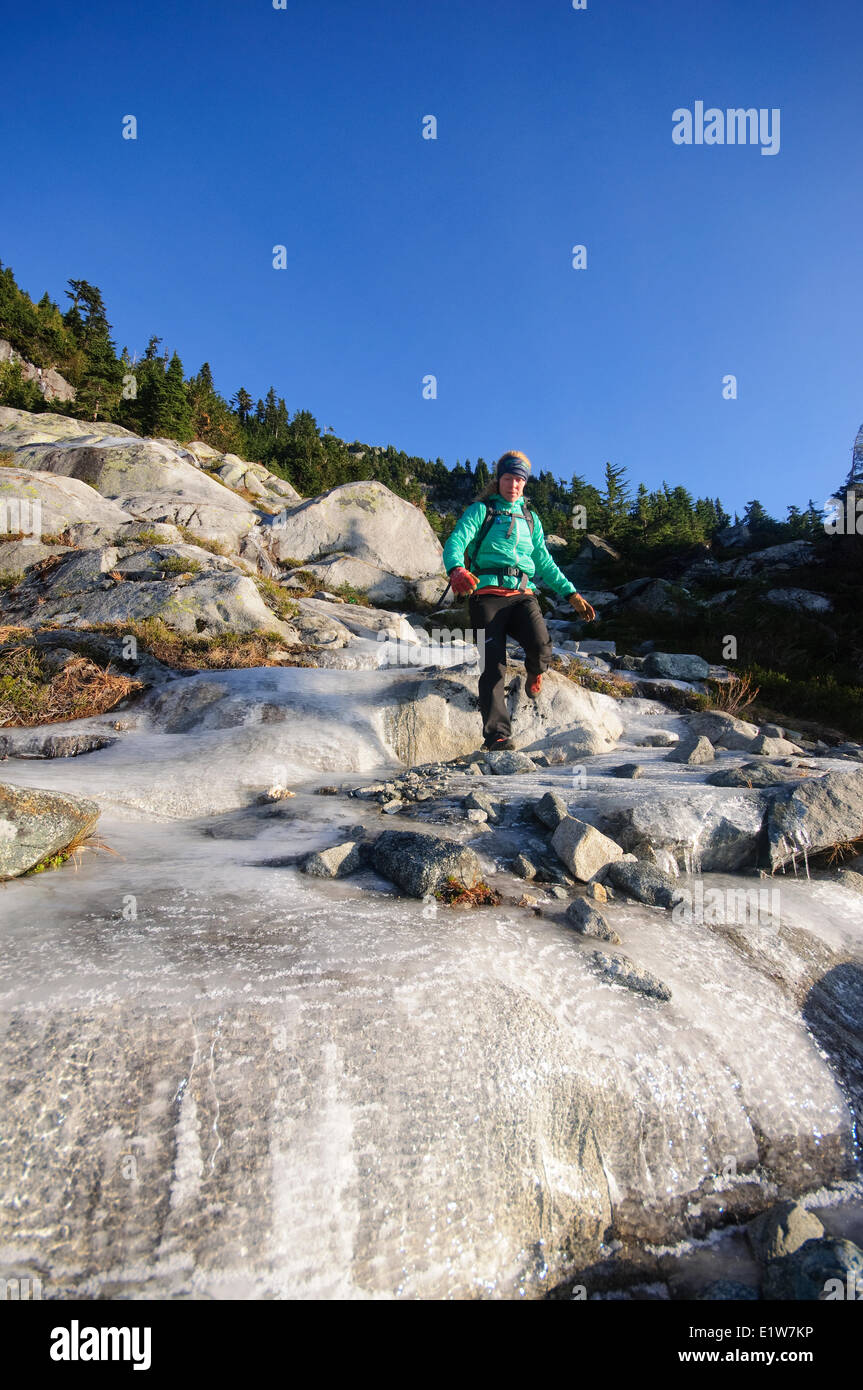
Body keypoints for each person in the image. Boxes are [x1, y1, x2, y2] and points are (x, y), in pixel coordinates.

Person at [442, 450, 596, 751]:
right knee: (493, 665)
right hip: (485, 596)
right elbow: (456, 540)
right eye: (509, 478)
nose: (514, 485)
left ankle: (535, 671)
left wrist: (571, 593)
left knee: (540, 645)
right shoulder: (481, 511)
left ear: (525, 484)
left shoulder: (530, 519)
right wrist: (456, 569)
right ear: (499, 480)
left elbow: (544, 561)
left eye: (519, 480)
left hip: (522, 596)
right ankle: (497, 735)